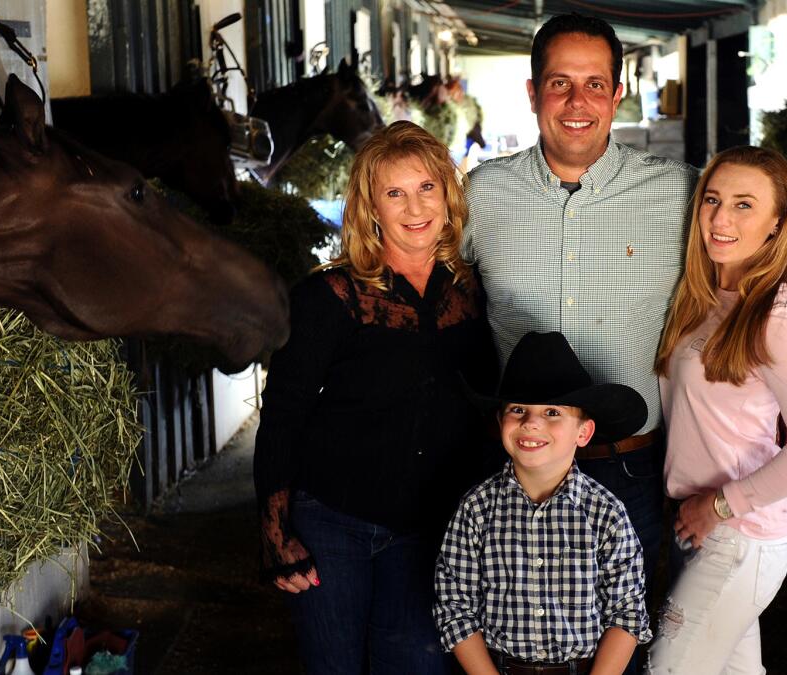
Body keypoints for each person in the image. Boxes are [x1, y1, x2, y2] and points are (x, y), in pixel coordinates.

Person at [461, 14, 698, 629]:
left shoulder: (682, 197)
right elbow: (432, 301)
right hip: (516, 470)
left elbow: (737, 303)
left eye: (595, 84)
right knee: (512, 640)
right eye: (560, 83)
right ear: (534, 92)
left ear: (618, 93)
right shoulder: (481, 195)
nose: (577, 102)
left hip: (628, 468)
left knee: (623, 646)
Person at [252, 120, 495, 675]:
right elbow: (283, 416)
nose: (415, 207)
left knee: (418, 663)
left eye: (427, 188)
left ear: (448, 195)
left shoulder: (473, 296)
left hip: (427, 530)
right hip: (333, 520)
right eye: (395, 193)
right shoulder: (329, 296)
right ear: (370, 209)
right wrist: (275, 534)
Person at [647, 146, 787, 674]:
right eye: (712, 199)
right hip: (700, 527)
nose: (720, 218)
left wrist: (721, 506)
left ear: (777, 225)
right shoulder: (703, 299)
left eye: (743, 205)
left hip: (739, 537)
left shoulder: (772, 315)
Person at [434, 331, 652, 675]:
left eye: (552, 412)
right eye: (518, 409)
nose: (531, 423)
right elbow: (454, 607)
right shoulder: (476, 509)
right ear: (500, 422)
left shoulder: (606, 513)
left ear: (584, 432)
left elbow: (626, 614)